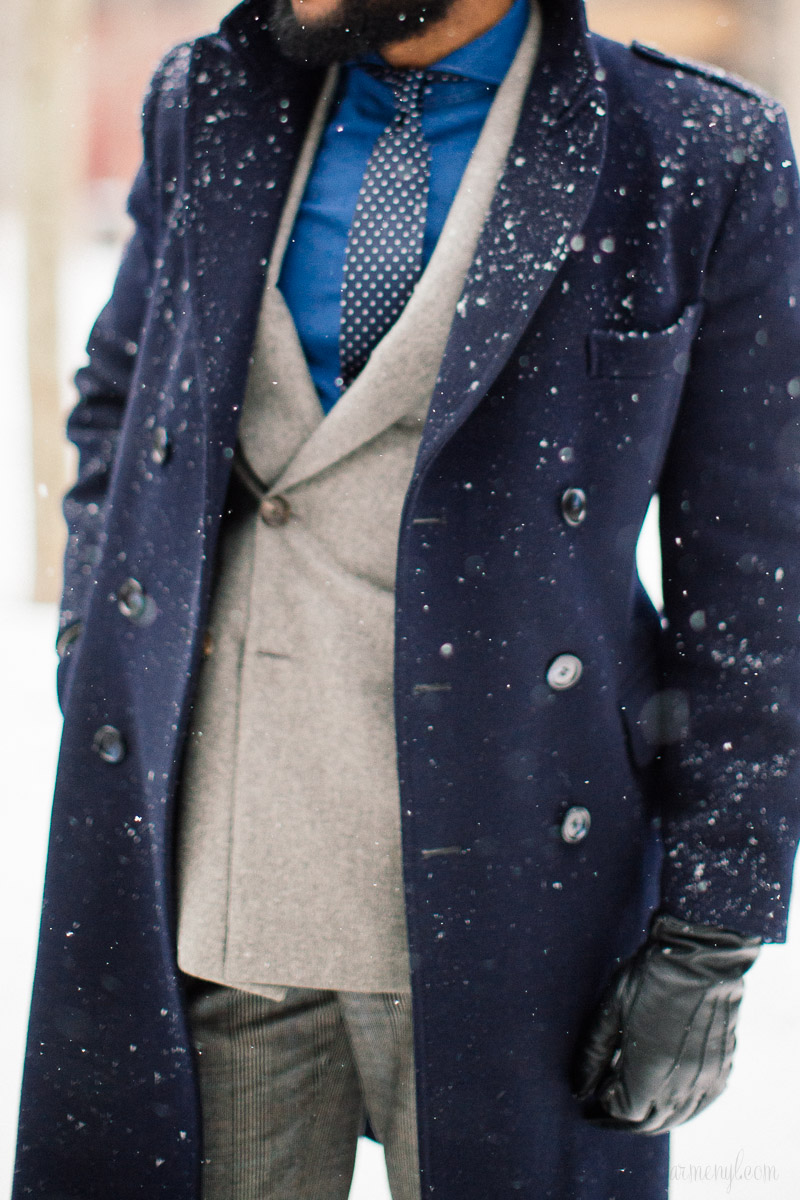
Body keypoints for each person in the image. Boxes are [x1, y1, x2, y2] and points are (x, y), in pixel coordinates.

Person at [13, 0, 800, 1197]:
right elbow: (123, 403)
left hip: (515, 905)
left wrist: (710, 932)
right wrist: (101, 650)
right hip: (219, 884)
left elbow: (751, 577)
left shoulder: (690, 149)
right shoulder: (210, 100)